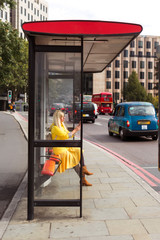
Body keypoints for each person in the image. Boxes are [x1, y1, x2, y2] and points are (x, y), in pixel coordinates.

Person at [50, 110, 93, 186]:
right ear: (58, 118)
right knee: (75, 159)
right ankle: (83, 176)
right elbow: (66, 136)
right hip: (59, 150)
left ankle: (83, 169)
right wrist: (76, 130)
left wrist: (76, 130)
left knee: (79, 150)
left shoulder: (61, 126)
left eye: (63, 117)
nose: (63, 118)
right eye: (62, 117)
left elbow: (68, 134)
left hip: (63, 148)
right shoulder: (55, 128)